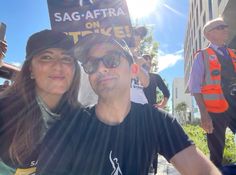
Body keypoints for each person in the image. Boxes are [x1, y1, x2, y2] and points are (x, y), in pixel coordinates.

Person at [37, 33, 221, 175]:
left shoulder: (157, 121)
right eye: (91, 64)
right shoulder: (67, 129)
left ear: (134, 70)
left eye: (112, 59)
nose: (101, 68)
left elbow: (203, 170)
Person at [0, 29, 81, 175]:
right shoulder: (5, 112)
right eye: (46, 57)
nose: (58, 66)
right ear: (30, 69)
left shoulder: (83, 120)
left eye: (66, 58)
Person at [188, 17, 236, 168]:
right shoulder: (202, 56)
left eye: (225, 26)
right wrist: (204, 114)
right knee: (216, 152)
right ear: (209, 34)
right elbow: (195, 87)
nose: (225, 29)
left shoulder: (233, 54)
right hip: (215, 111)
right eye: (220, 27)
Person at [143, 53, 170, 174]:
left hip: (151, 115)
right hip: (134, 114)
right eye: (144, 62)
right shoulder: (133, 76)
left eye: (149, 62)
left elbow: (166, 93)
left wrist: (161, 105)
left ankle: (152, 171)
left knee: (152, 144)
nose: (147, 65)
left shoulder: (155, 77)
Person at [130, 26, 150, 104]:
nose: (138, 37)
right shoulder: (117, 54)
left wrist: (136, 64)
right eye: (135, 33)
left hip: (141, 105)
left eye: (141, 36)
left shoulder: (142, 60)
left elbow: (145, 83)